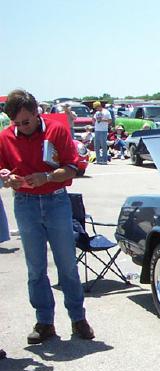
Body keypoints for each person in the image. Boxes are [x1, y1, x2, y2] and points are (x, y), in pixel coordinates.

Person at [0, 89, 94, 344]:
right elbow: (2, 171)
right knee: (36, 268)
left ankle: (78, 318)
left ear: (36, 113)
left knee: (67, 264)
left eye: (26, 122)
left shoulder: (56, 130)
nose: (21, 127)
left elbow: (72, 168)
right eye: (16, 123)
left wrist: (48, 177)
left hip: (56, 201)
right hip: (25, 204)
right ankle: (44, 322)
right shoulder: (6, 137)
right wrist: (8, 178)